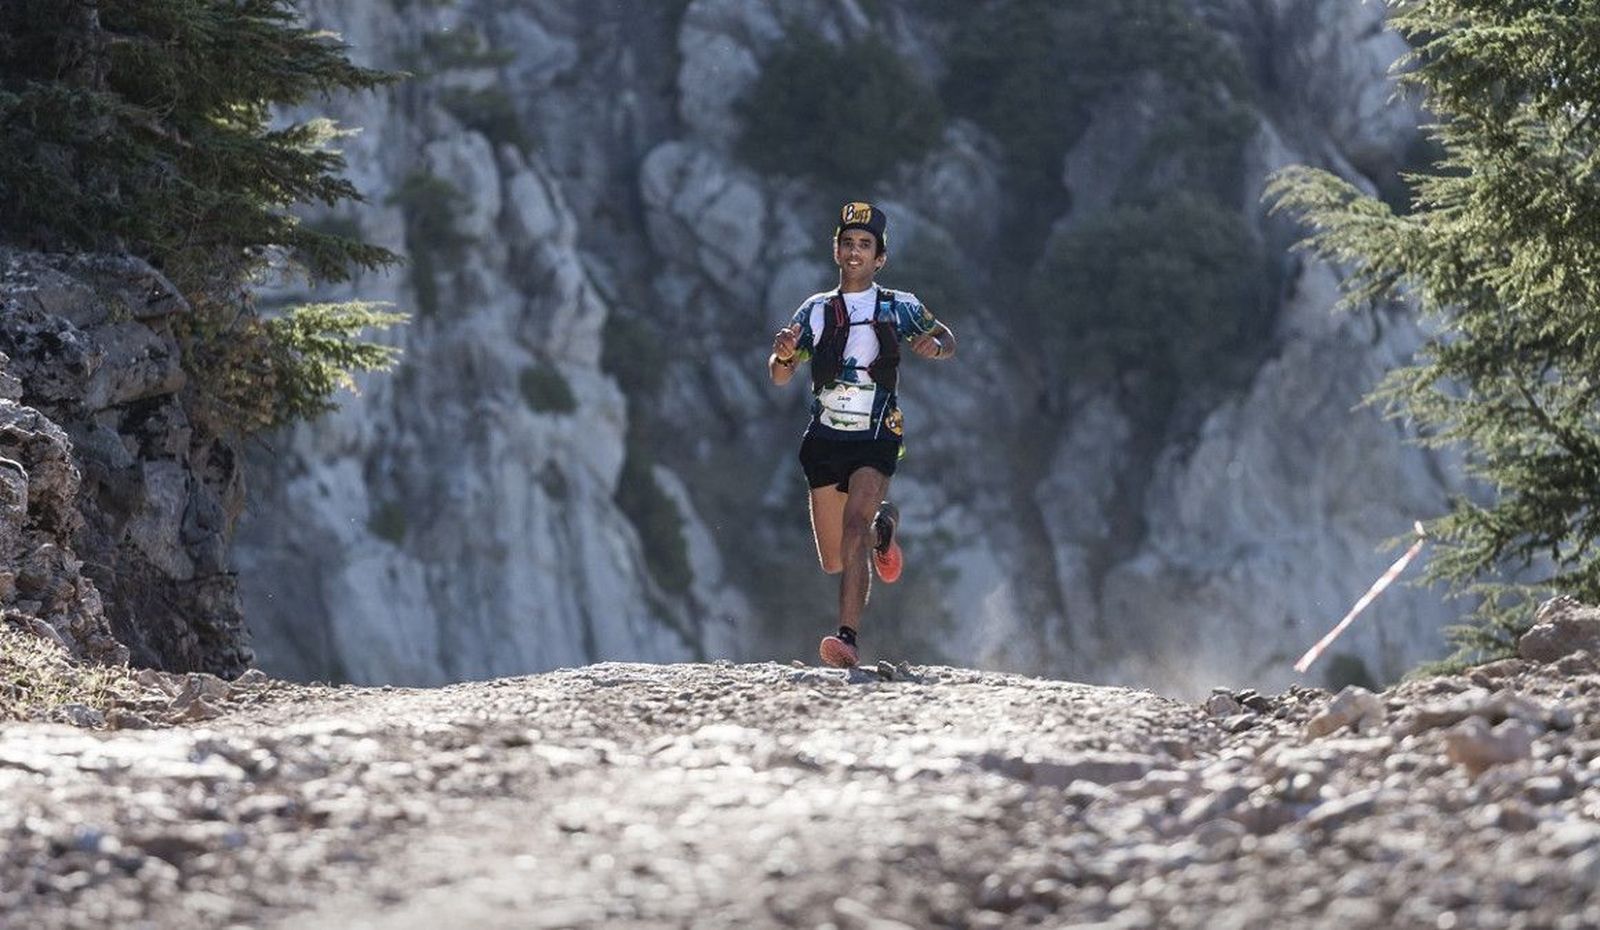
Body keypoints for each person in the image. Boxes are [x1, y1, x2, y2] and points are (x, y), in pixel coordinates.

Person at [768, 202, 957, 668]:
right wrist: (786, 356)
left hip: (876, 433)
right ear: (836, 250)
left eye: (865, 245)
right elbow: (778, 375)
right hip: (825, 438)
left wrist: (936, 347)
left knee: (853, 527)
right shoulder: (814, 311)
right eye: (848, 243)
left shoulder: (899, 306)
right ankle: (881, 531)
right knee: (836, 558)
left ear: (880, 259)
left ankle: (847, 640)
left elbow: (946, 335)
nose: (856, 252)